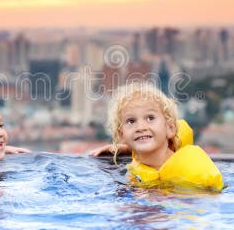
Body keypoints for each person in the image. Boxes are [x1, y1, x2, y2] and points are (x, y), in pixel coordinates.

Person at [91, 82, 224, 191]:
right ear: (122, 135)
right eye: (131, 121)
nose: (141, 127)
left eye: (150, 118)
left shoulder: (190, 168)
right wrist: (122, 149)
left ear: (170, 128)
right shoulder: (137, 162)